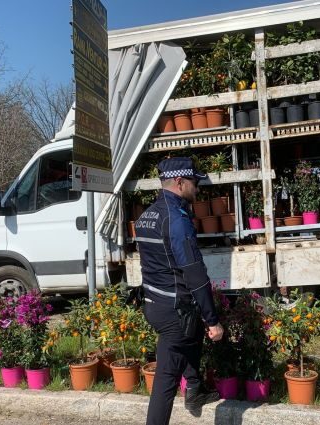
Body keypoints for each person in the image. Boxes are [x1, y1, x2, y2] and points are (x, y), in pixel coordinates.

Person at [135, 157, 224, 424]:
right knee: (165, 380)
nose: (197, 187)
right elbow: (195, 274)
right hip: (174, 311)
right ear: (179, 181)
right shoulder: (177, 220)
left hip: (154, 303)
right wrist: (213, 320)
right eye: (194, 181)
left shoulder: (147, 215)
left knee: (193, 333)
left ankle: (195, 388)